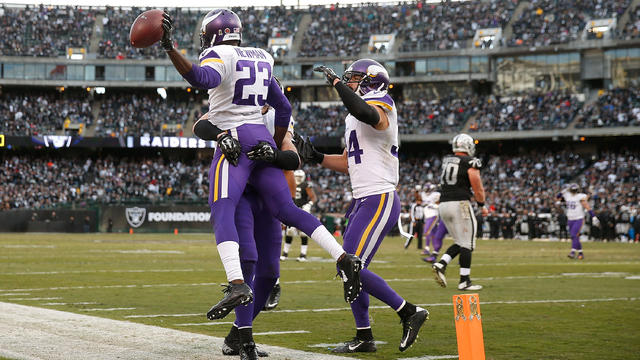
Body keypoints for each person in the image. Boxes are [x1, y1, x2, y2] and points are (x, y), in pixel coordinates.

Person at [161, 8, 362, 346]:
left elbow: (201, 79)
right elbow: (283, 108)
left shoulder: (220, 54)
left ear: (213, 33)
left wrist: (168, 47)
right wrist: (270, 139)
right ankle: (343, 257)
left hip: (237, 144)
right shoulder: (262, 57)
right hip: (259, 137)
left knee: (222, 207)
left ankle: (237, 283)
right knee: (288, 209)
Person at [299, 59, 428, 353]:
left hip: (379, 196)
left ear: (371, 80)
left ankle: (408, 311)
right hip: (362, 198)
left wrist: (337, 85)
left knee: (351, 266)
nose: (350, 82)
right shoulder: (352, 117)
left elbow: (367, 112)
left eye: (355, 78)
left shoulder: (382, 102)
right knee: (349, 267)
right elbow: (347, 162)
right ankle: (364, 336)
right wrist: (316, 156)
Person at [432, 133, 488, 291]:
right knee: (468, 243)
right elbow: (475, 180)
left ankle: (441, 264)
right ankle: (464, 281)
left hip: (443, 204)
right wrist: (482, 204)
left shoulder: (447, 160)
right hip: (460, 203)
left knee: (460, 242)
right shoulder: (470, 161)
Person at [281, 169, 317, 261]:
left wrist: (308, 205)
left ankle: (303, 254)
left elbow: (313, 197)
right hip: (292, 209)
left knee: (303, 233)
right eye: (296, 176)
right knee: (289, 231)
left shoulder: (306, 185)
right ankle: (285, 253)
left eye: (300, 177)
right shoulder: (289, 183)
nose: (298, 178)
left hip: (302, 210)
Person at [557, 183, 599, 259]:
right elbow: (558, 197)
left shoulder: (580, 196)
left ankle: (572, 252)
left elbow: (587, 206)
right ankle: (580, 253)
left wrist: (594, 217)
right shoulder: (567, 195)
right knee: (574, 237)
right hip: (570, 218)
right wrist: (563, 191)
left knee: (573, 235)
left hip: (578, 218)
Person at [420, 183, 440, 255]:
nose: (426, 191)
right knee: (433, 233)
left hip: (433, 215)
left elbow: (440, 204)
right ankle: (436, 249)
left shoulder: (436, 194)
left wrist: (433, 205)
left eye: (427, 190)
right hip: (427, 216)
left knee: (427, 231)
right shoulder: (423, 194)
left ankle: (427, 249)